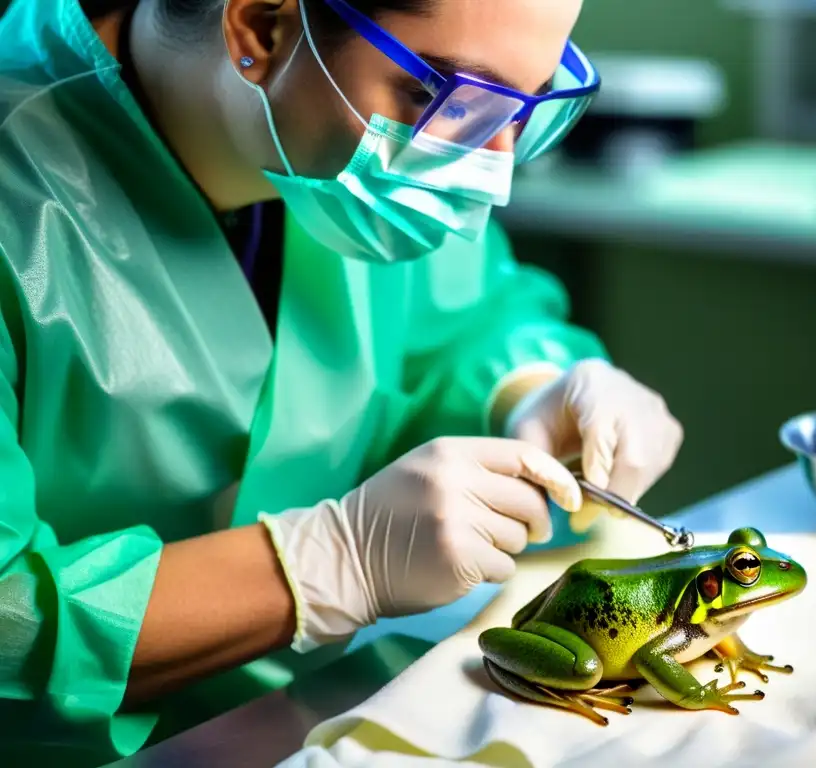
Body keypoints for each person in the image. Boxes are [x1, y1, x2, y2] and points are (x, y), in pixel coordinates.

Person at [0, 0, 684, 764]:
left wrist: (528, 383)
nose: (492, 174)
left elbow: (464, 318)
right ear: (261, 26)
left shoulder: (351, 161)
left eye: (529, 107)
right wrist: (329, 564)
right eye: (449, 99)